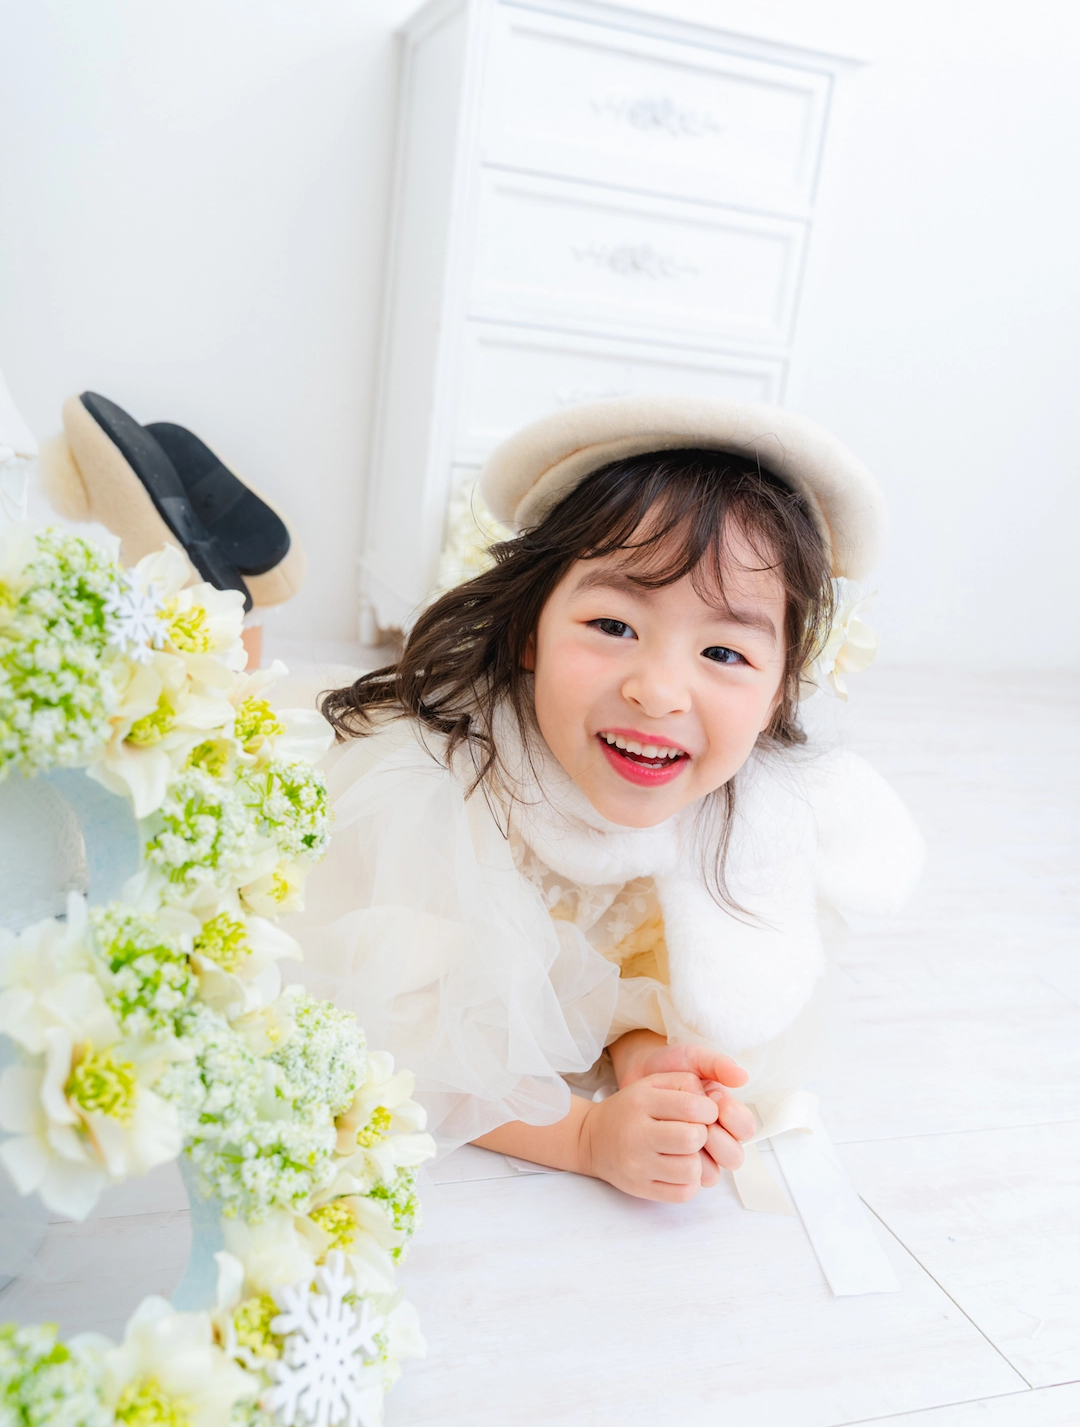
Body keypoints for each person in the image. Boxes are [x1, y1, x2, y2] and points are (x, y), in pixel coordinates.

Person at [293, 398, 923, 1207]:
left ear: (777, 692)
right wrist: (585, 1136)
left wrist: (651, 1060)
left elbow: (620, 961)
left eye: (723, 651)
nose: (658, 692)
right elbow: (400, 1037)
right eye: (614, 625)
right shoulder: (447, 790)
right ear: (531, 631)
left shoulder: (741, 816)